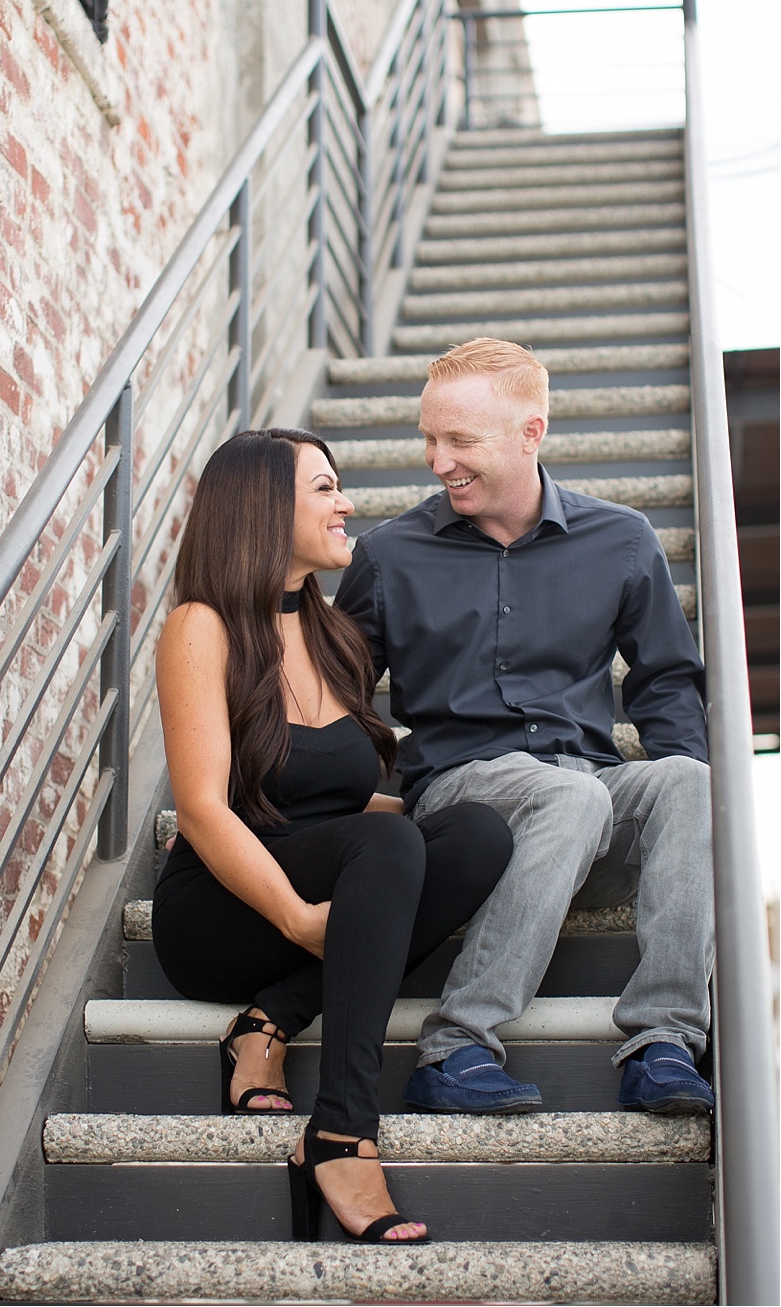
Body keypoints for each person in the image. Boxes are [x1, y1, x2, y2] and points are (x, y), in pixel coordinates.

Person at [335, 338, 716, 1117]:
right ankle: (456, 1045)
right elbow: (333, 701)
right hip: (465, 804)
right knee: (568, 800)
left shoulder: (622, 539)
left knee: (687, 779)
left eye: (460, 442)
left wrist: (696, 833)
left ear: (530, 433)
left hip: (591, 793)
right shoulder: (387, 554)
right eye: (428, 439)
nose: (438, 460)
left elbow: (668, 682)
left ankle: (665, 1039)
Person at [152, 427, 513, 1243]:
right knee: (386, 846)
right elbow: (204, 809)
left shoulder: (336, 636)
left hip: (326, 884)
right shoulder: (200, 627)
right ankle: (341, 1130)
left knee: (477, 835)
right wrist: (296, 917)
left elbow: (345, 801)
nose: (346, 502)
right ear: (261, 507)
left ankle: (272, 1016)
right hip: (221, 907)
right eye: (324, 487)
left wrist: (434, 841)